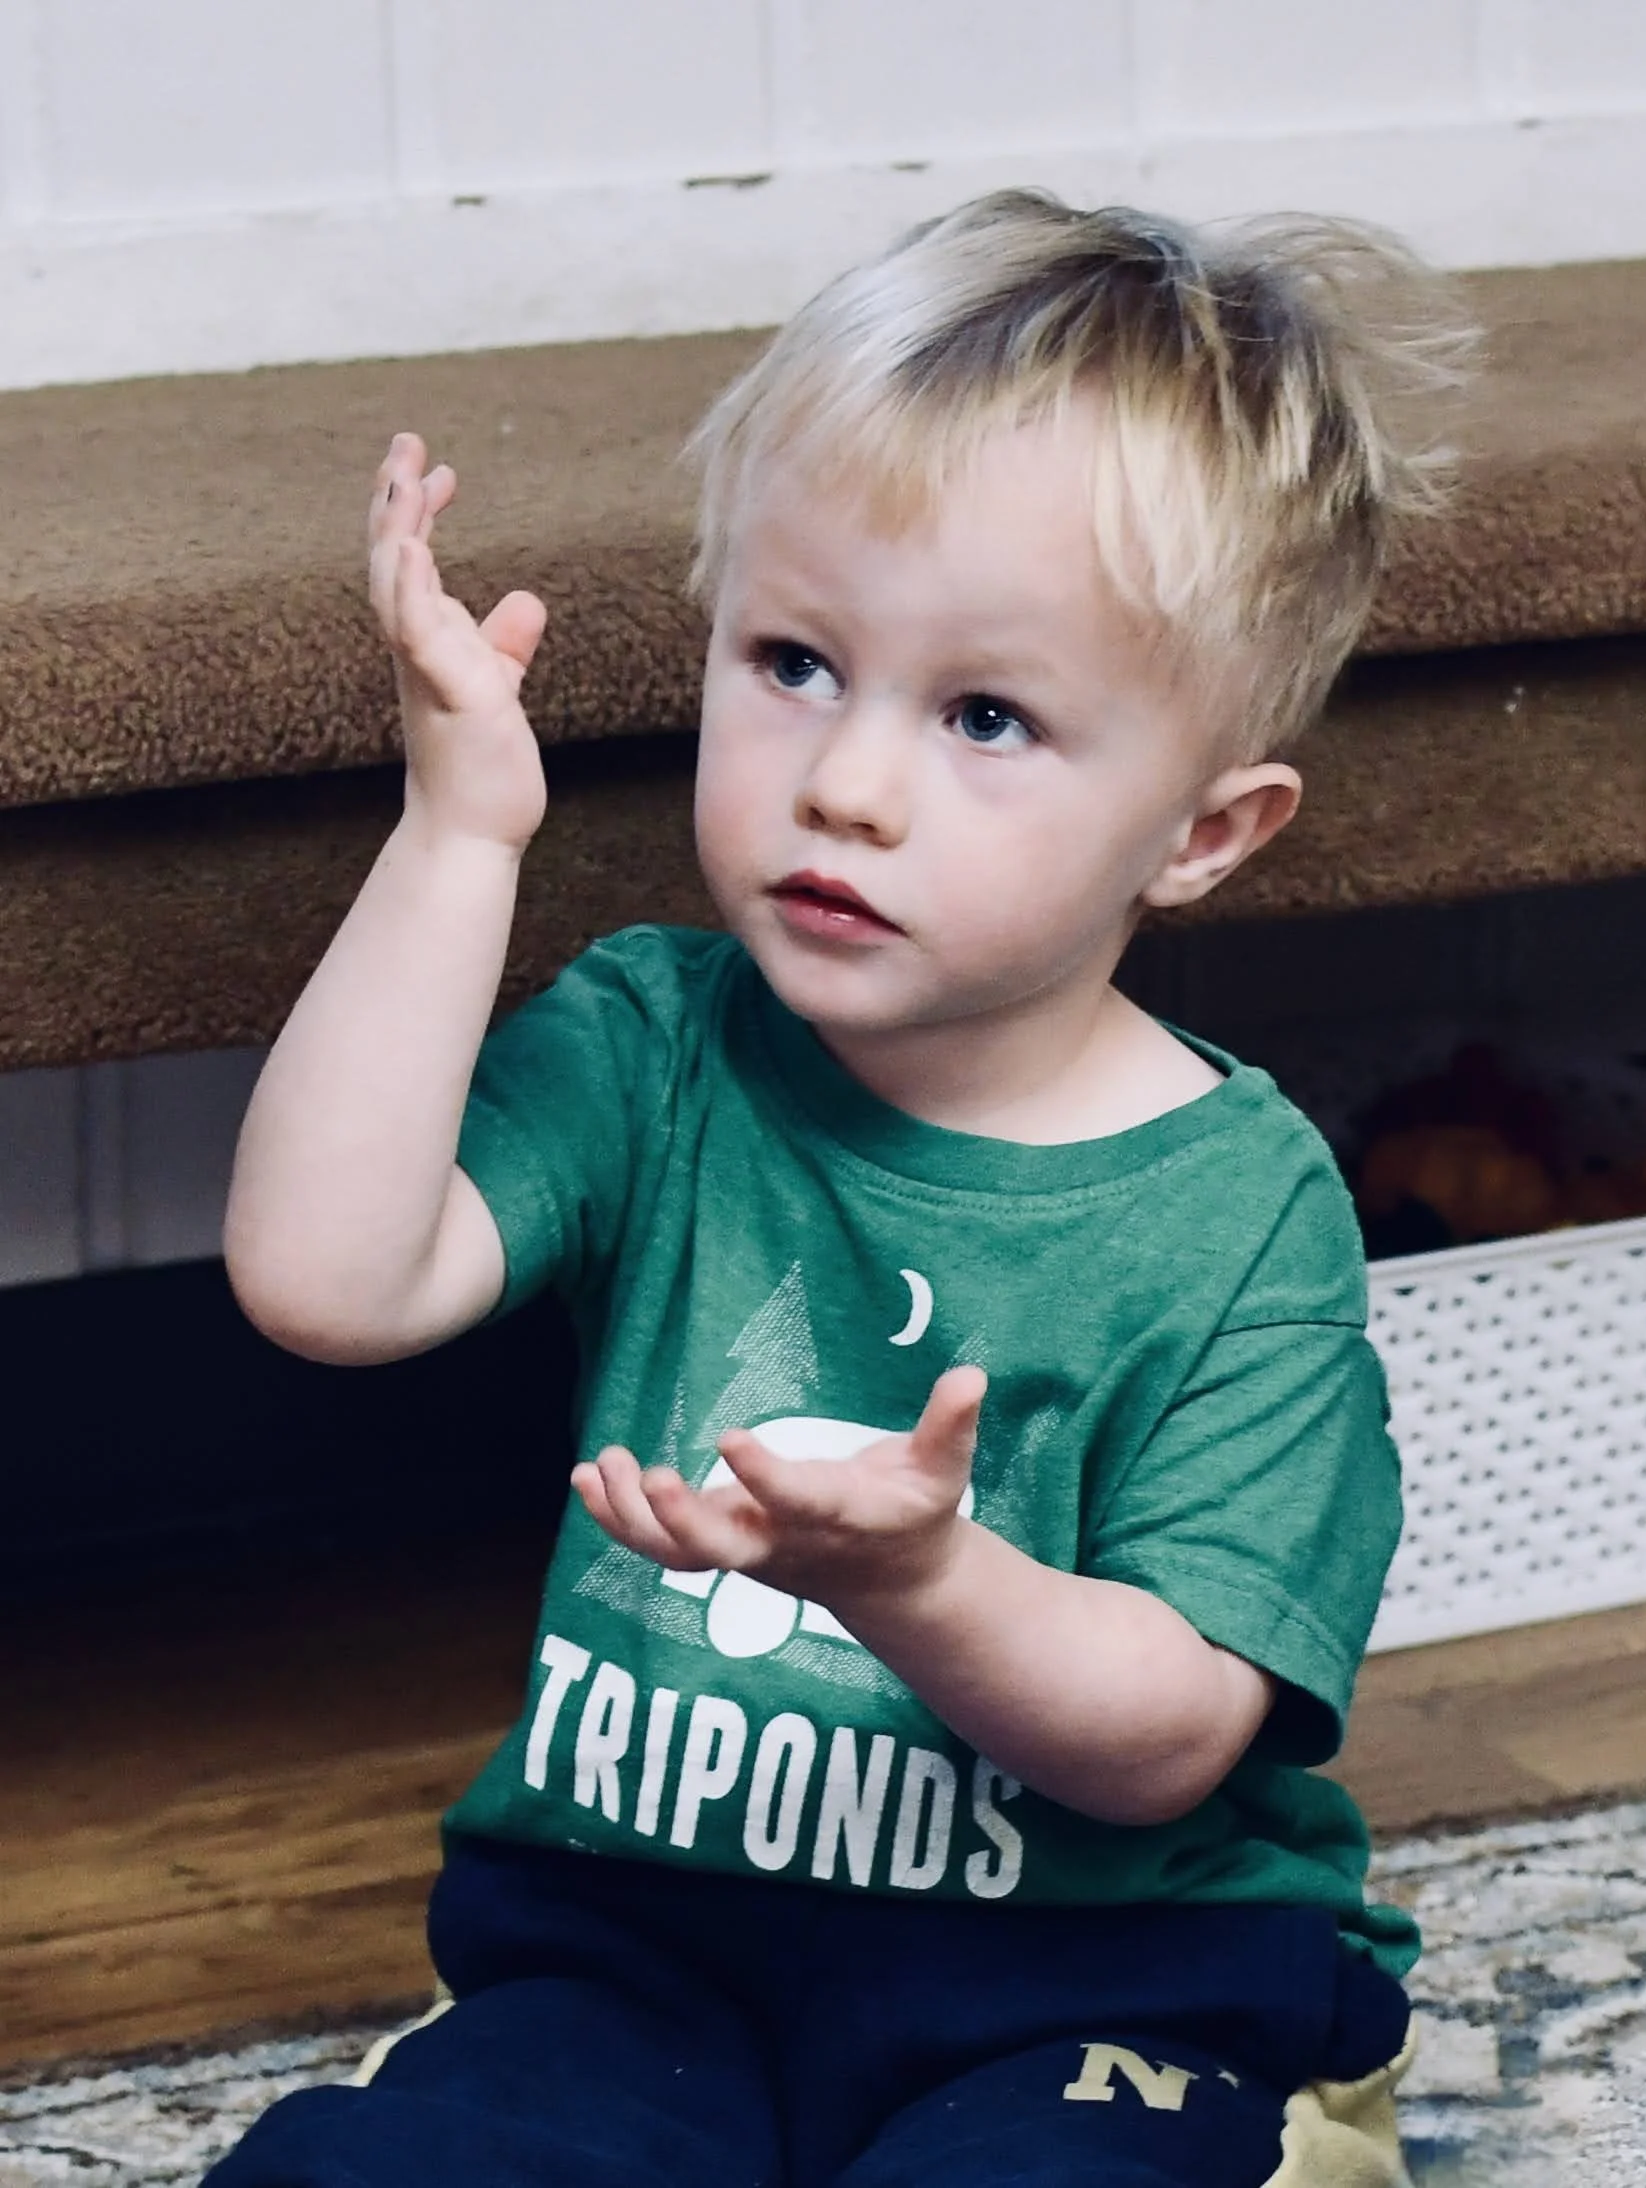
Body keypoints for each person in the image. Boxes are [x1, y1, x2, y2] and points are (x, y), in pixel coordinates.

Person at [208, 190, 1471, 2188]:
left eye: (985, 715)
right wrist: (460, 832)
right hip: (646, 1963)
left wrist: (920, 1583)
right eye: (796, 660)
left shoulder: (1242, 1212)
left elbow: (1165, 1732)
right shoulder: (660, 1042)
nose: (850, 781)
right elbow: (323, 1274)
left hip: (1105, 1983)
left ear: (1205, 831)